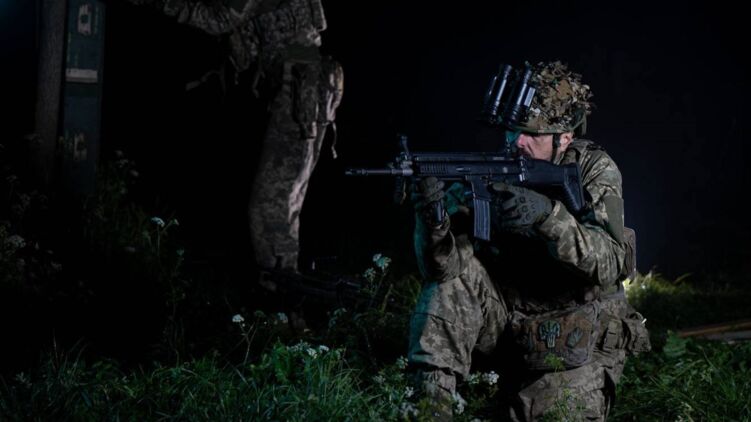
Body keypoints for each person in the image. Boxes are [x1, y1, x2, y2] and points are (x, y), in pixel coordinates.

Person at [408, 61, 650, 421]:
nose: (516, 142)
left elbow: (609, 262)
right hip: (508, 321)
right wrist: (433, 222)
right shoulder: (496, 169)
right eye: (512, 131)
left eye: (530, 134)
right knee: (451, 284)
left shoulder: (592, 169)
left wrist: (548, 216)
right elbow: (441, 269)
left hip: (574, 330)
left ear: (563, 137)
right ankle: (430, 407)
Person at [125, 0, 344, 273]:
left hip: (300, 87)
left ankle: (279, 286)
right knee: (282, 201)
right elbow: (243, 45)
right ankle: (281, 282)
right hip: (303, 85)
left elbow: (217, 19)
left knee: (270, 205)